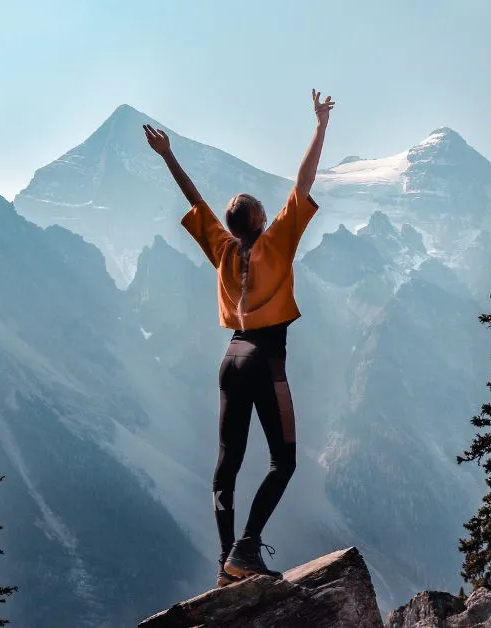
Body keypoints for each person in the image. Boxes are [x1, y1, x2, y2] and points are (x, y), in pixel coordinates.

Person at [143, 89, 334, 587]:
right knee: (283, 460)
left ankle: (225, 564)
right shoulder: (277, 242)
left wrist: (168, 156)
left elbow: (194, 199)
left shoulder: (222, 250)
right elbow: (305, 179)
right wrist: (319, 126)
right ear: (262, 220)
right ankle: (247, 548)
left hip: (230, 359)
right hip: (266, 359)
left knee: (227, 464)